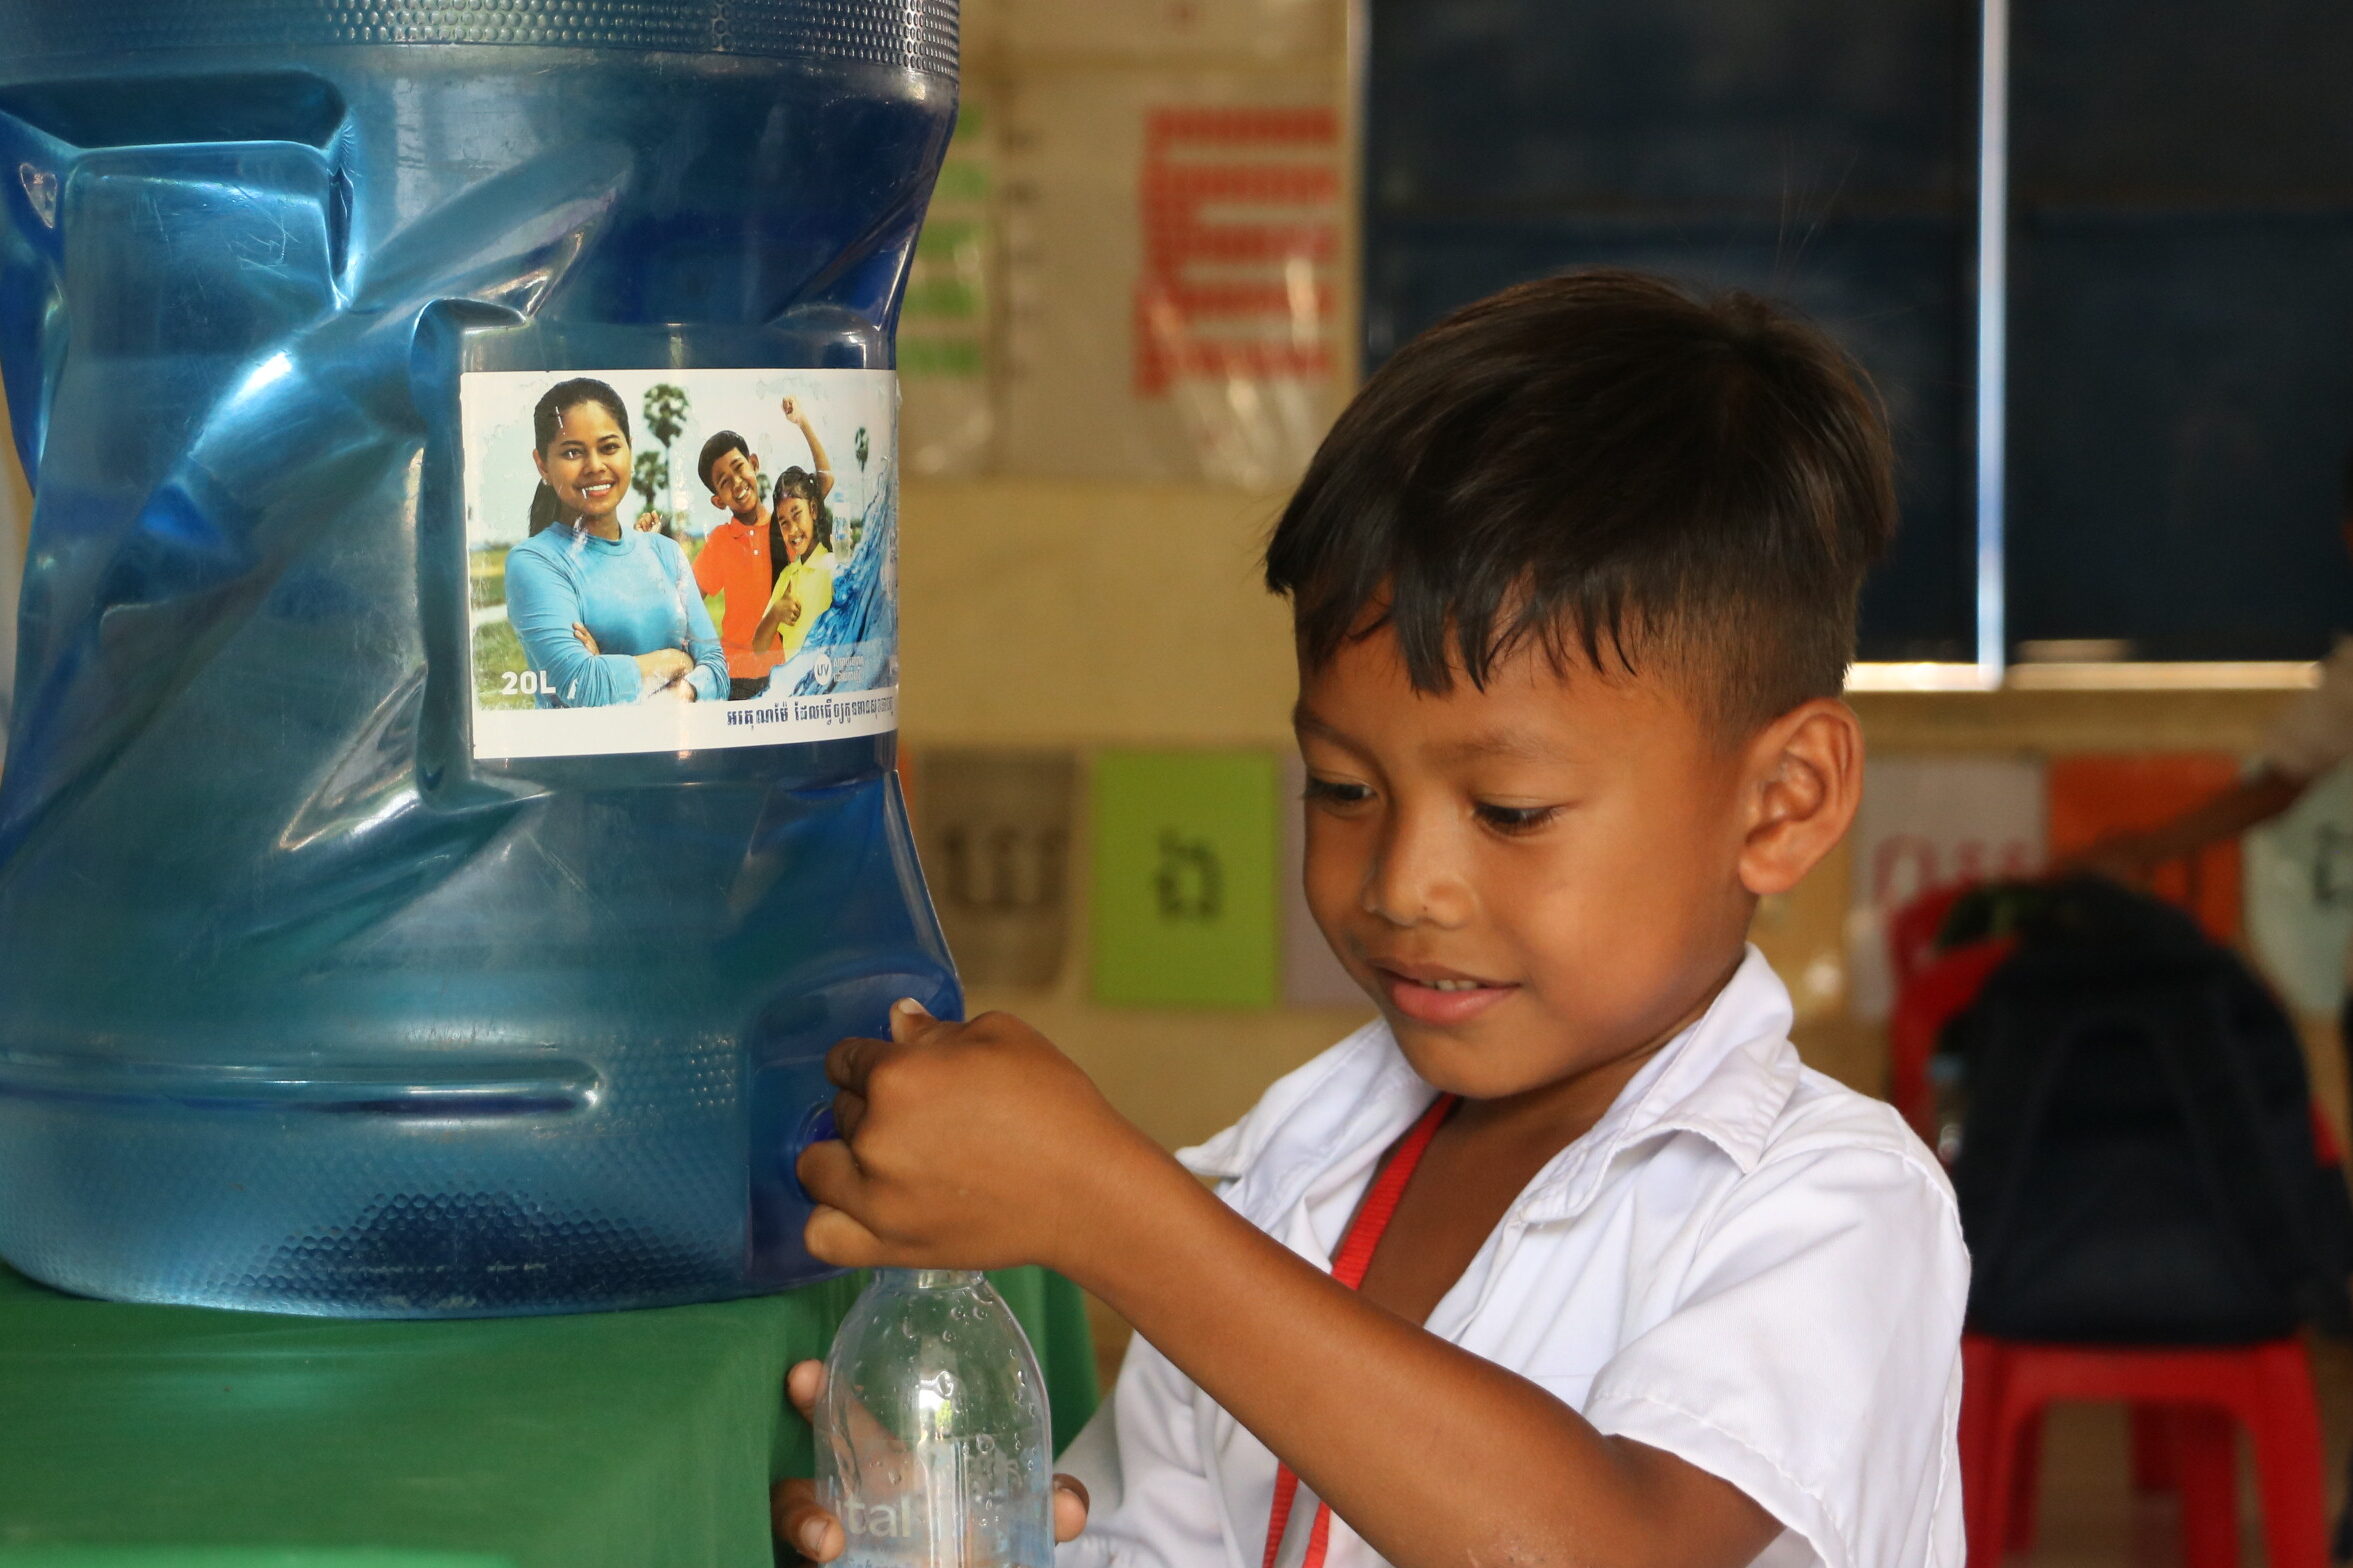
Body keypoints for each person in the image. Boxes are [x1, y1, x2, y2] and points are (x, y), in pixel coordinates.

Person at [773, 271, 1969, 1568]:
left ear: (1779, 804)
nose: (1404, 883)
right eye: (1343, 788)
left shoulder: (1834, 1205)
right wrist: (969, 1547)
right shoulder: (1294, 1177)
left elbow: (1622, 1549)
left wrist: (1107, 1210)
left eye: (1509, 810)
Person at [502, 378, 727, 708]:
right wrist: (677, 661)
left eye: (609, 447)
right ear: (542, 465)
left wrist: (676, 689)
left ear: (630, 450)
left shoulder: (666, 554)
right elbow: (584, 686)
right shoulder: (535, 562)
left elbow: (718, 673)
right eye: (573, 452)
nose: (595, 466)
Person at [750, 463, 837, 673]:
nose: (793, 530)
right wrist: (775, 613)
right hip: (796, 688)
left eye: (797, 515)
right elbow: (758, 647)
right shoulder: (788, 577)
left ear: (813, 509)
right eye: (784, 523)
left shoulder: (833, 569)